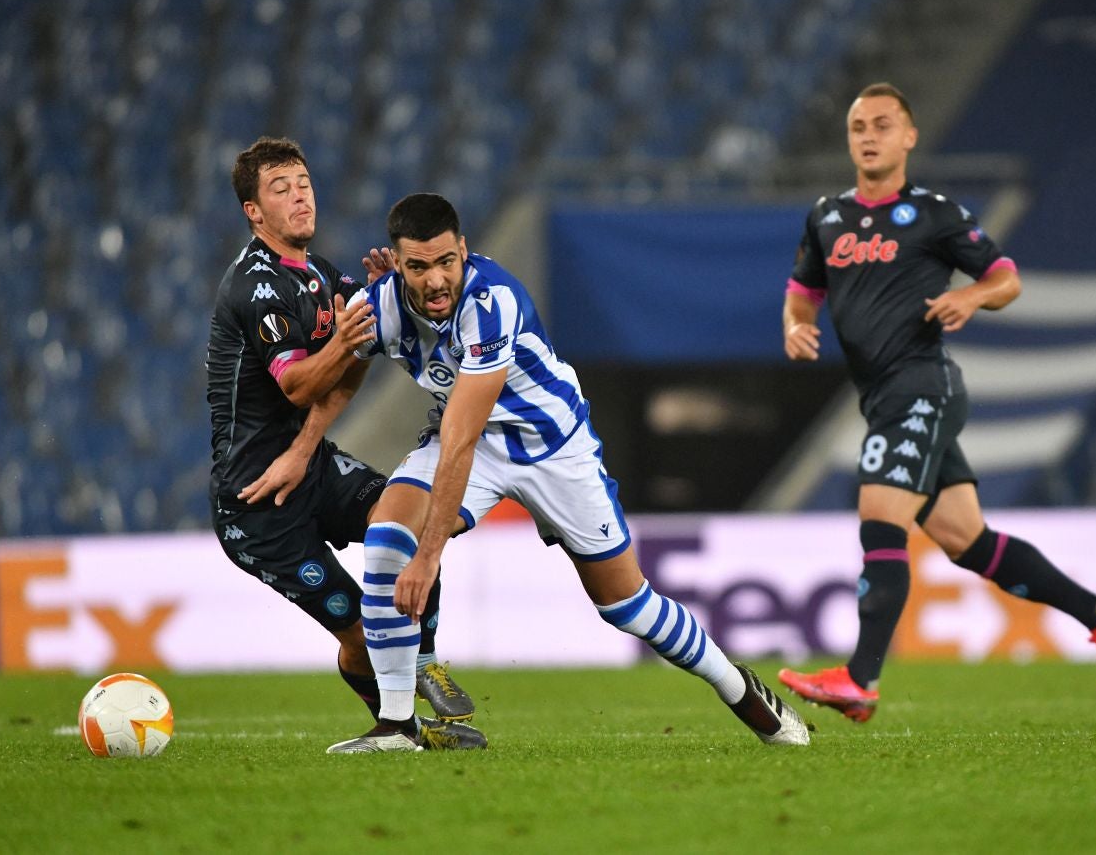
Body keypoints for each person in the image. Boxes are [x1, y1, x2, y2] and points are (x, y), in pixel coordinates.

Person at [325, 192, 808, 753]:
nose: (435, 280)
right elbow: (331, 384)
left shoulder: (492, 301)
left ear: (464, 251)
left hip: (553, 448)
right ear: (398, 262)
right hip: (473, 447)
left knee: (627, 607)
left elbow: (460, 436)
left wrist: (429, 559)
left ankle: (740, 690)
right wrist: (304, 437)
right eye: (417, 266)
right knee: (387, 538)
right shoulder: (380, 304)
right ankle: (397, 727)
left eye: (445, 262)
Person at [776, 84, 1096, 722]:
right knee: (966, 541)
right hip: (884, 394)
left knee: (881, 520)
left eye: (883, 125)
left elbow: (1005, 277)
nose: (868, 135)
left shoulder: (936, 214)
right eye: (858, 125)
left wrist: (970, 298)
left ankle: (860, 680)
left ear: (909, 137)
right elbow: (803, 290)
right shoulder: (826, 216)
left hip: (922, 385)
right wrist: (795, 325)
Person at [207, 137, 483, 750]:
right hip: (256, 502)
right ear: (253, 211)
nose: (300, 195)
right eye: (280, 189)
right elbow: (303, 382)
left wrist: (388, 310)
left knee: (402, 515)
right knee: (362, 635)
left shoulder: (324, 275)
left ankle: (425, 661)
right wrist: (344, 339)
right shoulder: (255, 288)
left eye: (303, 182)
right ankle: (404, 728)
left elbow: (351, 368)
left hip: (307, 466)